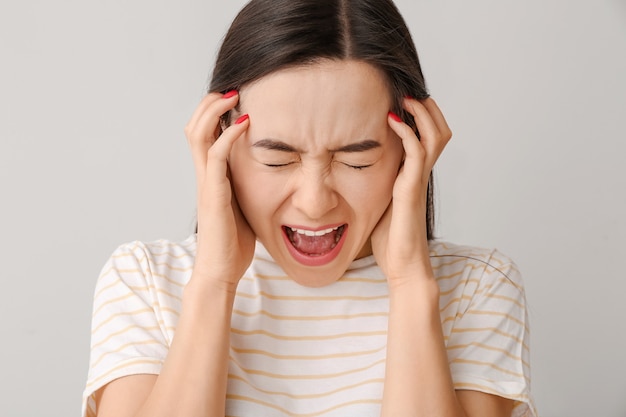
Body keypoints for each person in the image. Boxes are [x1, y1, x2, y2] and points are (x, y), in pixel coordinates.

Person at [82, 0, 537, 416]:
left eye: (355, 159)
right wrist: (214, 281)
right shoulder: (144, 281)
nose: (315, 202)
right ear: (218, 142)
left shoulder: (477, 288)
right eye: (277, 159)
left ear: (411, 146)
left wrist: (410, 282)